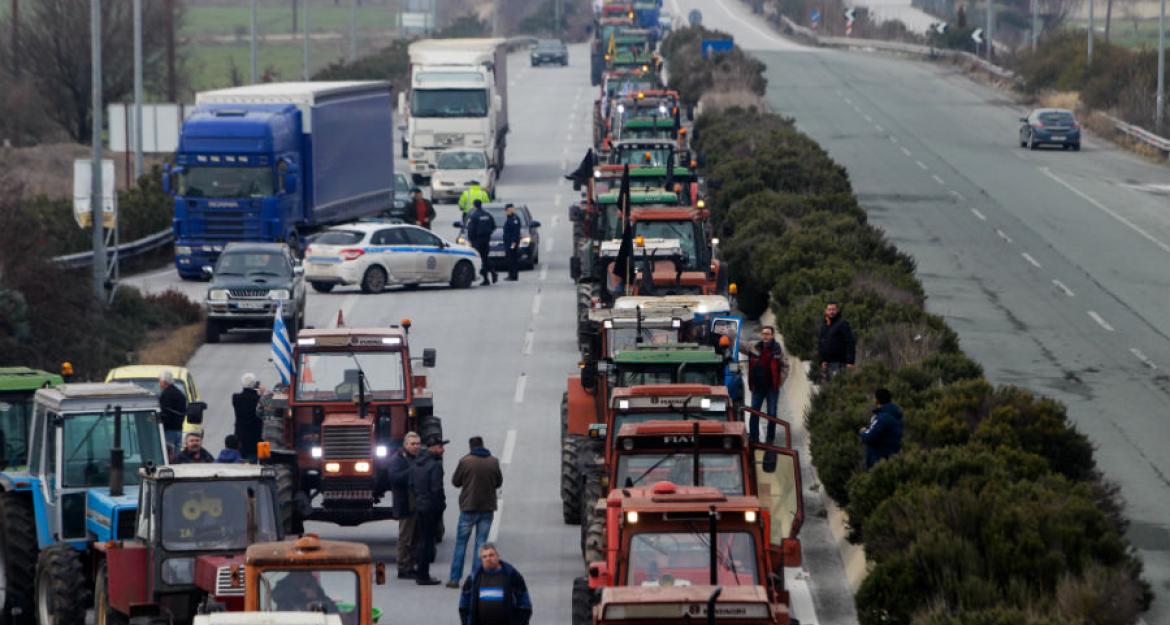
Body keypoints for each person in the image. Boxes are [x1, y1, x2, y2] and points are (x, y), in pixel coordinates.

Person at [447, 436, 504, 588]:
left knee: (461, 544)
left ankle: (454, 579)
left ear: (470, 447)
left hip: (468, 507)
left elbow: (456, 482)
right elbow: (499, 482)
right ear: (483, 445)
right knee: (481, 545)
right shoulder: (493, 461)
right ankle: (476, 579)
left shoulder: (465, 461)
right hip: (487, 508)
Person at [458, 543, 533, 625]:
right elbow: (464, 606)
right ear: (481, 560)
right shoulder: (473, 578)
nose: (488, 558)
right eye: (484, 556)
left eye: (491, 555)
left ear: (498, 556)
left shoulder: (512, 576)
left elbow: (525, 605)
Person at [411, 434, 448, 585]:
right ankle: (423, 575)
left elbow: (412, 484)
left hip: (420, 504)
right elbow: (436, 489)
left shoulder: (418, 462)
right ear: (433, 448)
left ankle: (421, 571)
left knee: (422, 540)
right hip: (430, 507)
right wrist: (441, 506)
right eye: (440, 446)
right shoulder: (435, 465)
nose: (443, 449)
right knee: (427, 542)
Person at [743, 326, 789, 443]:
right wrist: (730, 335)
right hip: (757, 387)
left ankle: (770, 438)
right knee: (754, 412)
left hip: (771, 388)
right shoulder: (754, 346)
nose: (765, 336)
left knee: (772, 413)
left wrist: (779, 381)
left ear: (772, 336)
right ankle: (754, 437)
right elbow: (740, 345)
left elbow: (785, 366)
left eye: (768, 334)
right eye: (763, 333)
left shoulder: (778, 349)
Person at [390, 432, 422, 579]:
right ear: (405, 445)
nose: (416, 447)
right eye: (412, 444)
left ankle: (411, 565)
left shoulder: (419, 458)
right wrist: (413, 470)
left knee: (415, 538)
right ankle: (402, 567)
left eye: (417, 444)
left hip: (417, 504)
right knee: (405, 538)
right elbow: (394, 478)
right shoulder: (398, 459)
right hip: (405, 505)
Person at [859, 388, 904, 469]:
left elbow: (869, 437)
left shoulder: (883, 417)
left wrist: (862, 432)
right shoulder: (894, 415)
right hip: (891, 459)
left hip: (879, 461)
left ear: (877, 400)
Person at [818, 302, 856, 381]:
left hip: (839, 363)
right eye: (829, 309)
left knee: (838, 385)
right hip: (826, 365)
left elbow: (850, 342)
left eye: (833, 309)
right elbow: (821, 344)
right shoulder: (824, 326)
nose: (831, 312)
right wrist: (822, 361)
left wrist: (850, 361)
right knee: (828, 389)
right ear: (826, 311)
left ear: (837, 310)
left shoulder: (842, 324)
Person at [232, 372, 264, 462]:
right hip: (257, 435)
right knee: (260, 461)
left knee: (242, 459)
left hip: (241, 435)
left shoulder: (236, 398)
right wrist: (261, 392)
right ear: (255, 384)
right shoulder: (259, 399)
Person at [271, 571, 338, 613]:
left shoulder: (315, 589)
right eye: (298, 574)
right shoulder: (283, 588)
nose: (302, 577)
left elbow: (332, 610)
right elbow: (276, 596)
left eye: (305, 574)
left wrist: (315, 599)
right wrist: (300, 592)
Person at [466, 200, 498, 286]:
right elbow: (494, 226)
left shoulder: (474, 216)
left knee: (480, 259)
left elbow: (471, 229)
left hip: (477, 240)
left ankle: (486, 279)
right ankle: (493, 272)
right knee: (485, 257)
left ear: (474, 206)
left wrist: (471, 240)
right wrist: (488, 234)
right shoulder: (487, 215)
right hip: (486, 239)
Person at [158, 370, 187, 450]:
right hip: (179, 430)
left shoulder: (165, 394)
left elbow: (165, 414)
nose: (159, 384)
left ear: (164, 382)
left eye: (159, 381)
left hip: (168, 430)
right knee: (177, 458)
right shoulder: (180, 394)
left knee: (169, 455)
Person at [502, 204, 522, 281]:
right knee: (510, 259)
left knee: (512, 259)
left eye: (509, 210)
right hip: (508, 242)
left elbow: (515, 232)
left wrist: (513, 243)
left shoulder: (514, 219)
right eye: (506, 210)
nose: (507, 212)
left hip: (512, 243)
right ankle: (511, 274)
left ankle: (513, 275)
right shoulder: (509, 218)